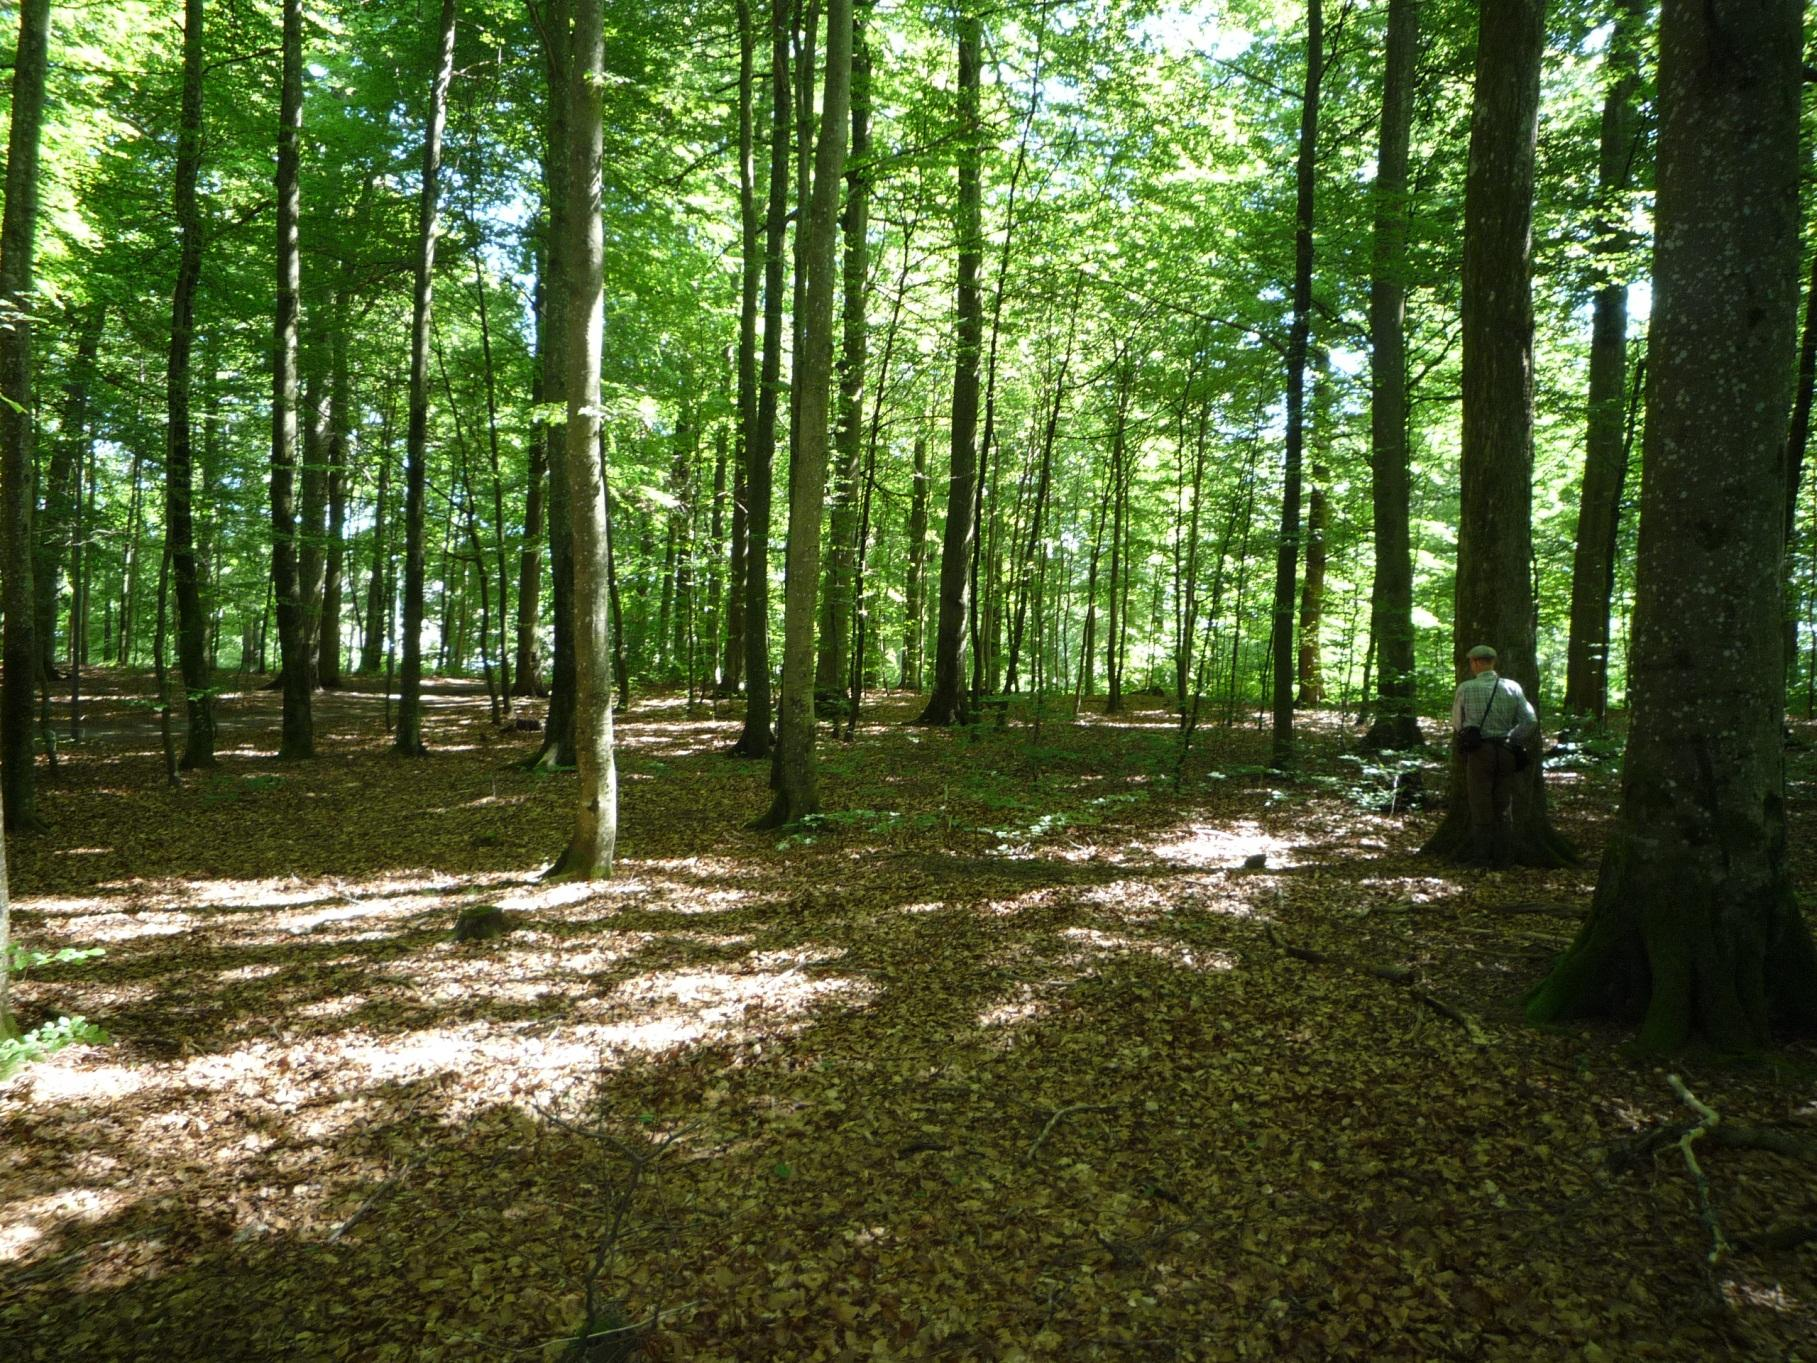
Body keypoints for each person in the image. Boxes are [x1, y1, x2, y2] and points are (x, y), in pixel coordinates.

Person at [1451, 643, 1539, 866]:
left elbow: (1457, 723)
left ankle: (1481, 858)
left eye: (1471, 662)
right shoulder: (1512, 687)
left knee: (1480, 803)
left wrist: (1469, 734)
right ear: (1493, 662)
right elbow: (1530, 721)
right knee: (1503, 804)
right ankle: (1504, 857)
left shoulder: (1466, 688)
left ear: (1476, 662)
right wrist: (1512, 738)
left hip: (1480, 752)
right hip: (1507, 751)